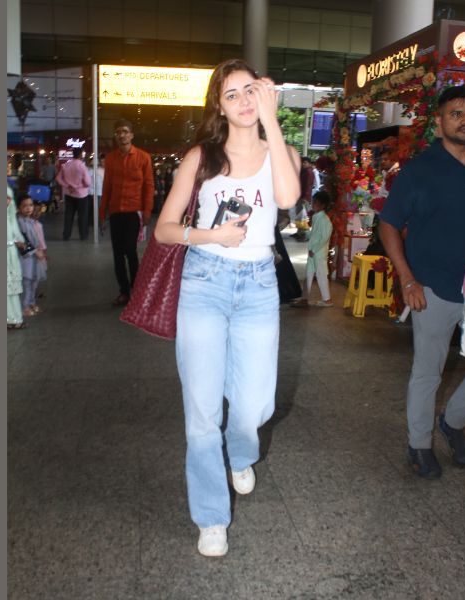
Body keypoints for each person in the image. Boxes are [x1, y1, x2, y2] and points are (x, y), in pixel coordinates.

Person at [154, 58, 300, 557]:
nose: (242, 102)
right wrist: (209, 235)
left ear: (264, 94)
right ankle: (211, 517)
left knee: (255, 407)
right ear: (218, 105)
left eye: (250, 91)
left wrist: (272, 121)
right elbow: (164, 229)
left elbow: (288, 196)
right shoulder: (202, 157)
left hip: (258, 285)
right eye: (231, 94)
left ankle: (241, 452)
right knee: (201, 411)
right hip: (204, 282)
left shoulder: (283, 151)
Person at [378, 85, 465, 479]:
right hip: (431, 285)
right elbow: (389, 224)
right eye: (456, 114)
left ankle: (452, 422)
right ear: (439, 121)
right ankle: (419, 445)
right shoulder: (419, 171)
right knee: (427, 370)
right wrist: (407, 279)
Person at [99, 119, 155, 306]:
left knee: (130, 251)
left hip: (134, 212)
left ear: (131, 135)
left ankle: (136, 290)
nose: (121, 135)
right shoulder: (111, 158)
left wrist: (147, 211)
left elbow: (149, 186)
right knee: (117, 253)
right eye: (118, 132)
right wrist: (102, 213)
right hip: (116, 212)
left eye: (124, 131)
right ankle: (124, 291)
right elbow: (107, 186)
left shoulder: (143, 157)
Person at [290, 190, 334, 307]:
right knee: (308, 274)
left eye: (315, 203)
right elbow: (315, 233)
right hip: (312, 252)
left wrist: (314, 250)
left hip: (318, 253)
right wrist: (305, 234)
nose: (313, 205)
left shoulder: (325, 220)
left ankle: (327, 300)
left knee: (321, 275)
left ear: (323, 205)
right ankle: (304, 298)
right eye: (313, 202)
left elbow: (324, 238)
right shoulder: (316, 217)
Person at [16, 194, 43, 317]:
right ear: (18, 208)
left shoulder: (31, 221)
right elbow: (20, 241)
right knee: (26, 281)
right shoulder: (19, 222)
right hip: (25, 257)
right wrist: (35, 251)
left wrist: (40, 250)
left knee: (34, 280)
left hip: (34, 257)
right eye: (25, 206)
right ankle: (24, 306)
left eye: (31, 205)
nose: (29, 208)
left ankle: (32, 302)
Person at [56, 148, 92, 240]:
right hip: (81, 195)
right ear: (80, 155)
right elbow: (88, 182)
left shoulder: (66, 165)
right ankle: (83, 235)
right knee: (82, 216)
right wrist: (81, 185)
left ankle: (66, 235)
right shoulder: (82, 166)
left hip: (69, 193)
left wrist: (67, 185)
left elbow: (58, 178)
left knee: (68, 215)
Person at [7, 186, 26, 330]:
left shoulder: (10, 217)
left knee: (12, 289)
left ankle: (16, 318)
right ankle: (10, 318)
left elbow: (17, 234)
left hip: (11, 255)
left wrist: (20, 242)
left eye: (8, 198)